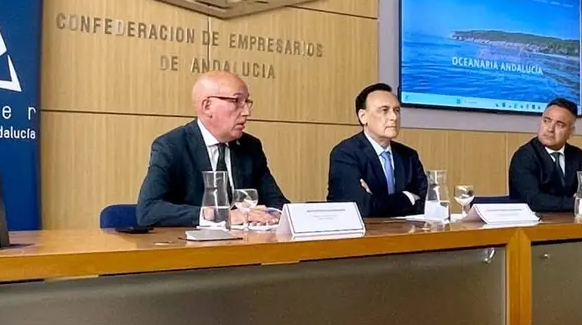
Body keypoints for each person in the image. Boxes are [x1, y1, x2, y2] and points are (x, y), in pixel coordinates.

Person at [136, 71, 289, 227]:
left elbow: (277, 202)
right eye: (236, 101)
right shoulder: (172, 146)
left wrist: (271, 215)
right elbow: (148, 211)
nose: (246, 112)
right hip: (192, 247)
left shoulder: (250, 147)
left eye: (247, 102)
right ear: (207, 106)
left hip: (245, 245)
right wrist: (221, 215)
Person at [326, 83, 428, 217]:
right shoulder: (345, 153)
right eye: (384, 110)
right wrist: (407, 197)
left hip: (405, 233)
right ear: (363, 117)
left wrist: (376, 201)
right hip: (362, 236)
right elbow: (362, 208)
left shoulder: (408, 156)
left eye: (397, 110)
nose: (394, 117)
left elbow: (427, 204)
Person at [508, 97, 582, 212]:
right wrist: (581, 202)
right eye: (546, 121)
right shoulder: (524, 156)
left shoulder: (577, 155)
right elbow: (534, 201)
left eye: (559, 125)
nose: (550, 129)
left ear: (571, 132)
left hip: (571, 224)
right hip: (532, 226)